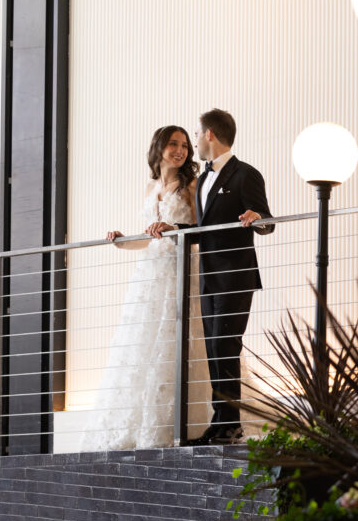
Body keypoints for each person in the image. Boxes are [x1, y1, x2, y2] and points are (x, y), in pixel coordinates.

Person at [78, 126, 210, 451]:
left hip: (181, 270)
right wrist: (123, 242)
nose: (179, 150)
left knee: (183, 341)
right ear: (159, 148)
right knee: (141, 348)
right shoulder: (151, 186)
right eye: (173, 144)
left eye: (183, 145)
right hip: (150, 275)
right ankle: (141, 426)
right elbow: (150, 239)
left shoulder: (192, 185)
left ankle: (189, 425)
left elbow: (199, 230)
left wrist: (172, 229)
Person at [150, 108, 274, 445]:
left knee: (225, 345)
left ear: (209, 135)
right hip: (207, 278)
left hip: (236, 276)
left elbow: (269, 222)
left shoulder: (245, 174)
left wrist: (256, 216)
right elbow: (202, 232)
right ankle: (221, 424)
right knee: (214, 350)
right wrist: (173, 229)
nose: (194, 142)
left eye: (196, 134)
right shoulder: (203, 180)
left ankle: (230, 425)